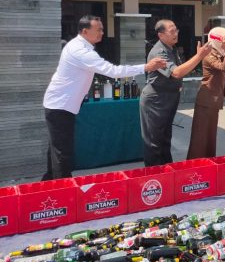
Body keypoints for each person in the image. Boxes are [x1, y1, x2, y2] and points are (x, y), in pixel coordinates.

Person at [42, 15, 166, 180]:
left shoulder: (81, 46)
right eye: (98, 29)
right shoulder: (80, 51)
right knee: (62, 154)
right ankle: (62, 191)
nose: (102, 32)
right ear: (85, 31)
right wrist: (146, 67)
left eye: (102, 28)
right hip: (60, 105)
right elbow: (113, 71)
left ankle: (48, 185)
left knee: (57, 150)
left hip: (62, 104)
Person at [140, 19, 212, 166]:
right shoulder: (159, 52)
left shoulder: (172, 49)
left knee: (165, 140)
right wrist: (199, 56)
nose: (176, 33)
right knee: (154, 144)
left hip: (168, 99)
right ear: (161, 35)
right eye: (171, 31)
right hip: (156, 101)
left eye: (176, 30)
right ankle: (154, 181)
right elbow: (177, 73)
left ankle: (168, 176)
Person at [187, 27, 225, 160]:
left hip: (213, 100)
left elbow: (219, 76)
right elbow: (223, 67)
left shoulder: (219, 53)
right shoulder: (208, 53)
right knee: (200, 138)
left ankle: (208, 164)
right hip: (206, 100)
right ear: (216, 38)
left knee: (210, 136)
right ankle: (195, 166)